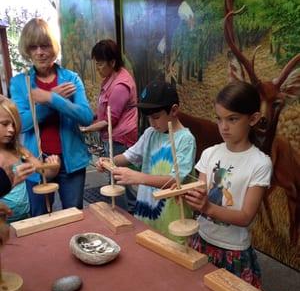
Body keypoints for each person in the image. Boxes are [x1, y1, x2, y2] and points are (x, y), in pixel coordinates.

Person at [183, 81, 272, 288]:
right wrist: (187, 196)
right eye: (219, 118)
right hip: (201, 240)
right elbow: (200, 194)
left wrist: (206, 206)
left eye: (232, 119)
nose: (223, 127)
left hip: (233, 250)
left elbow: (245, 217)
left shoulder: (259, 163)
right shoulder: (210, 153)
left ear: (253, 119)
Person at [10, 18, 93, 216]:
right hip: (37, 163)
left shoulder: (71, 78)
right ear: (27, 50)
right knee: (40, 220)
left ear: (53, 47)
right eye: (34, 46)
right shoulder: (20, 83)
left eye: (45, 45)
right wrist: (51, 102)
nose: (40, 52)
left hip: (71, 162)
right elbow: (23, 124)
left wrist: (50, 98)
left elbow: (86, 117)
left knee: (72, 216)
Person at [96, 80, 196, 241]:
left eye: (156, 117)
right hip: (145, 213)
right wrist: (109, 161)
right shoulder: (151, 133)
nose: (152, 123)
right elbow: (129, 156)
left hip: (173, 219)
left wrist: (138, 178)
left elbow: (175, 180)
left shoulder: (186, 140)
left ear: (174, 110)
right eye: (148, 118)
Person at [82, 39, 138, 212]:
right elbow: (104, 112)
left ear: (112, 62)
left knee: (117, 179)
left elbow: (109, 120)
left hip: (119, 139)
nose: (97, 68)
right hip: (113, 137)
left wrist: (86, 129)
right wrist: (89, 118)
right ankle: (129, 208)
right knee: (118, 177)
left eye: (100, 64)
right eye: (96, 64)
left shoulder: (120, 84)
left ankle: (124, 214)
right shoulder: (111, 77)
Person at [0, 95, 60, 222]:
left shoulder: (19, 151)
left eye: (14, 125)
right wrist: (10, 181)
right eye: (5, 124)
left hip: (25, 218)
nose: (11, 129)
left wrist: (52, 167)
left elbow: (43, 172)